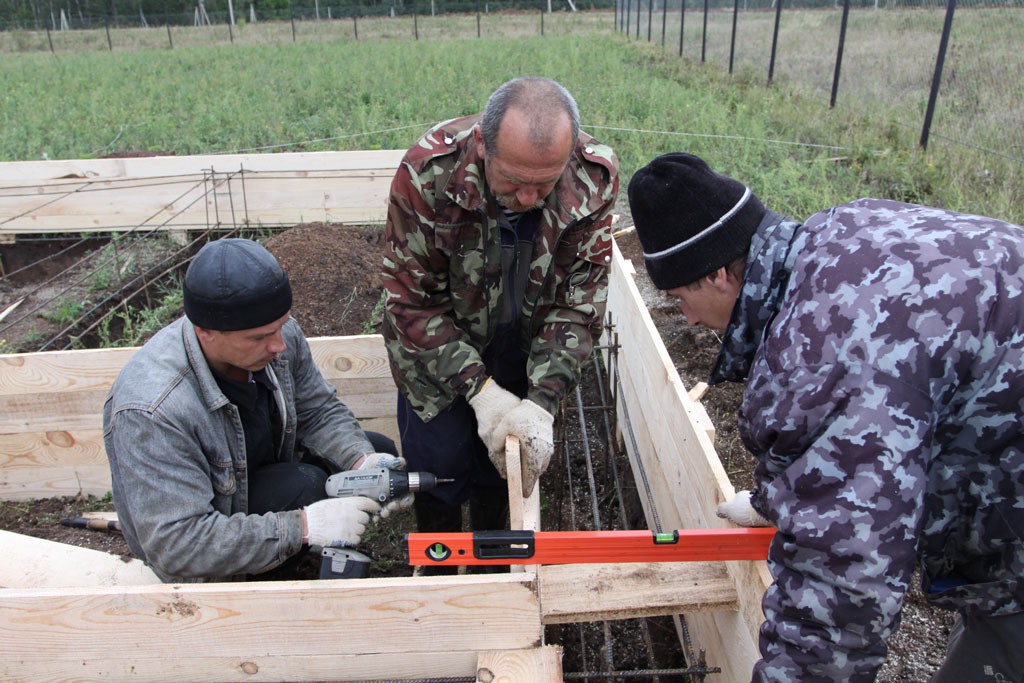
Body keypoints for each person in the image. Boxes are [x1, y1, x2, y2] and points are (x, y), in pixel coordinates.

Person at [627, 152, 1024, 682]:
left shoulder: (819, 350)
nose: (689, 318)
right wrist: (782, 496)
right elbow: (869, 420)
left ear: (719, 272)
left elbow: (842, 592)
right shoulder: (840, 233)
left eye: (682, 298)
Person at [381, 77, 619, 554]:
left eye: (544, 185)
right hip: (438, 347)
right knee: (440, 467)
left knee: (507, 463)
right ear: (485, 145)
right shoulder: (429, 175)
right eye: (514, 182)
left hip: (527, 341)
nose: (529, 198)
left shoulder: (593, 179)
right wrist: (481, 393)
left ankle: (492, 561)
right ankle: (439, 563)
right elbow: (412, 301)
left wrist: (542, 401)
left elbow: (578, 303)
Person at [104, 238, 404, 583]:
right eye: (260, 337)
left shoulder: (275, 335)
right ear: (205, 331)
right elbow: (177, 545)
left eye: (281, 326)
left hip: (252, 474)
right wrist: (304, 527)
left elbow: (317, 409)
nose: (278, 345)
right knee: (306, 487)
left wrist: (362, 461)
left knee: (376, 449)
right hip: (206, 534)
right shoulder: (153, 408)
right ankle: (267, 583)